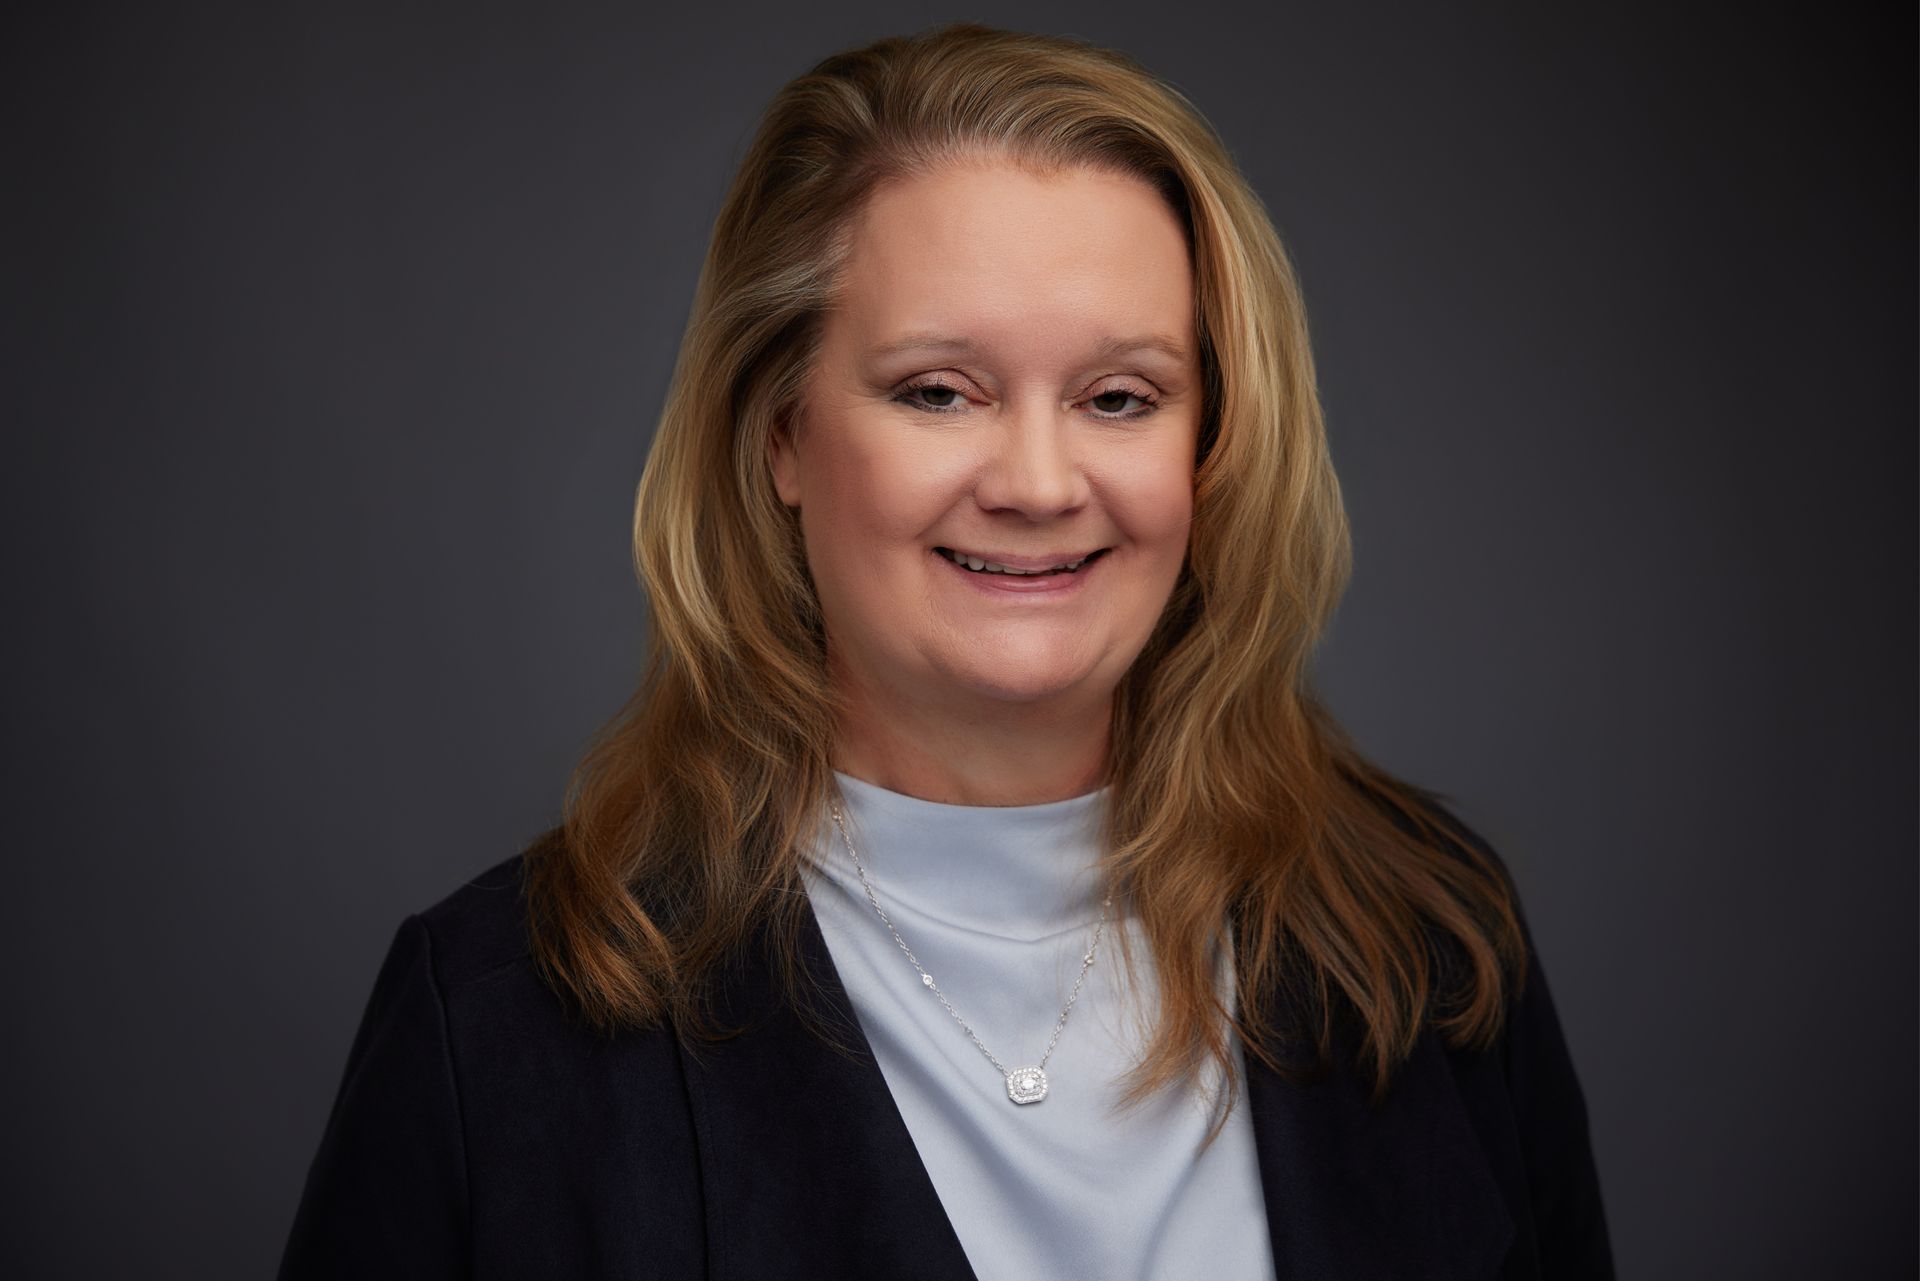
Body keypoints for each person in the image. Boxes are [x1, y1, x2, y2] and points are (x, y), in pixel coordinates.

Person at [278, 22, 1613, 1280]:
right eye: (937, 390)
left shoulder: (1427, 945)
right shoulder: (497, 1031)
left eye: (1119, 396)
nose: (1038, 481)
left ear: (1211, 447)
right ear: (781, 436)